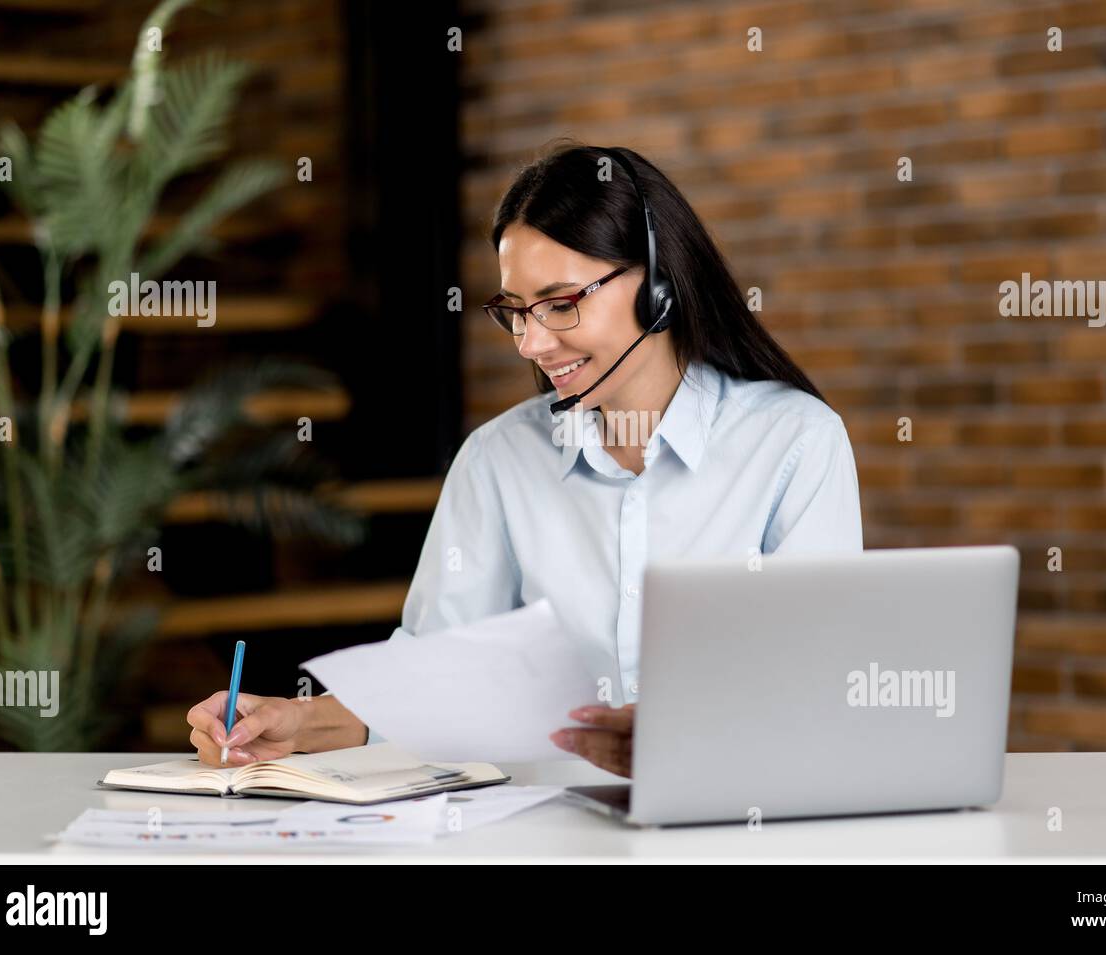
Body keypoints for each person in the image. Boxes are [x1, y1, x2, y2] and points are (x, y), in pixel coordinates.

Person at [187, 142, 863, 778]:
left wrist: (688, 735)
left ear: (657, 287)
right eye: (514, 310)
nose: (531, 343)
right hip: (541, 830)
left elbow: (816, 682)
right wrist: (296, 722)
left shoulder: (793, 442)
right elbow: (432, 677)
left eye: (560, 304)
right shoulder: (498, 460)